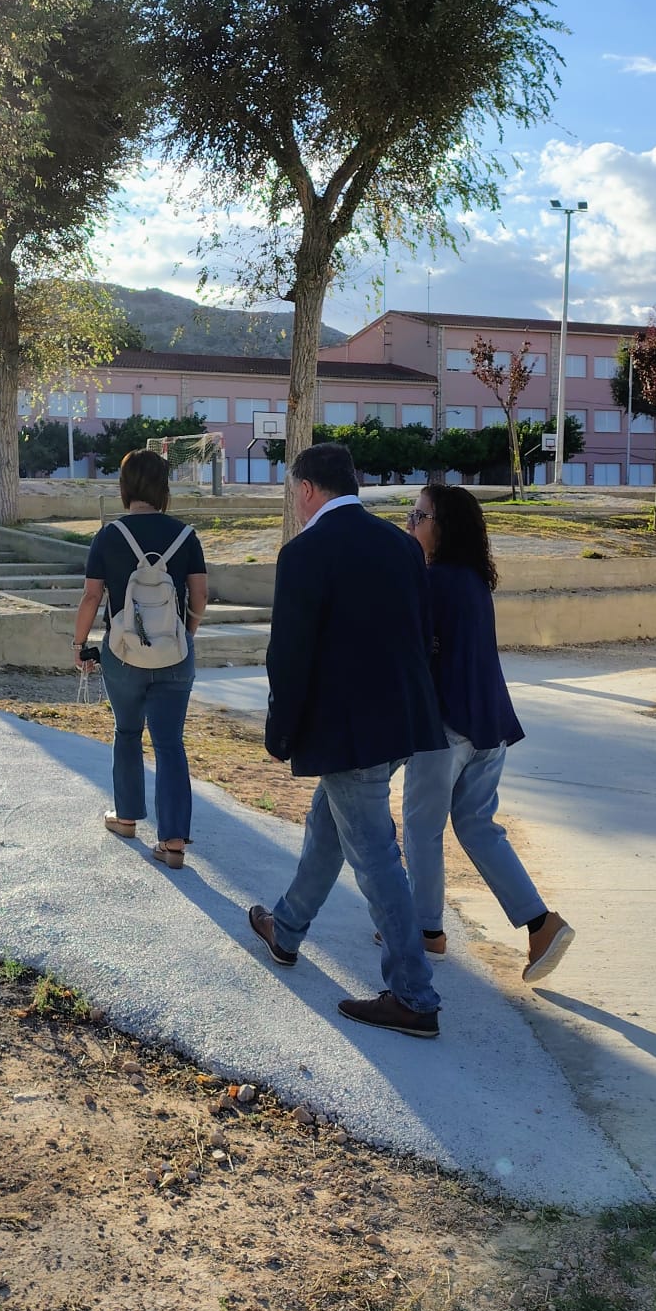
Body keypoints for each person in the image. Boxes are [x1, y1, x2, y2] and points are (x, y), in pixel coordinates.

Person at [246, 443, 447, 1038]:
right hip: (400, 723)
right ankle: (286, 929)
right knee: (326, 827)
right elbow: (424, 635)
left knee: (376, 857)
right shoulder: (401, 544)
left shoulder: (304, 553)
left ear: (307, 489)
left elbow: (289, 657)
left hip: (347, 731)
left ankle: (413, 995)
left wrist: (280, 733)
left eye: (293, 490)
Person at [400, 483, 574, 983]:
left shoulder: (434, 582)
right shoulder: (473, 580)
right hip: (489, 726)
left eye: (420, 515)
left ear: (443, 527)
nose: (411, 523)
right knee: (476, 826)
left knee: (422, 826)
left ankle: (427, 930)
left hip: (447, 729)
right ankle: (541, 923)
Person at [72, 449, 208, 868]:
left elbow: (92, 596)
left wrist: (80, 645)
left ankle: (126, 817)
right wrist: (185, 634)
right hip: (174, 656)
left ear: (125, 487)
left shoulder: (109, 536)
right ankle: (173, 843)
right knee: (170, 743)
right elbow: (199, 595)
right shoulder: (186, 535)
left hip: (123, 655)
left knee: (127, 731)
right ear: (164, 488)